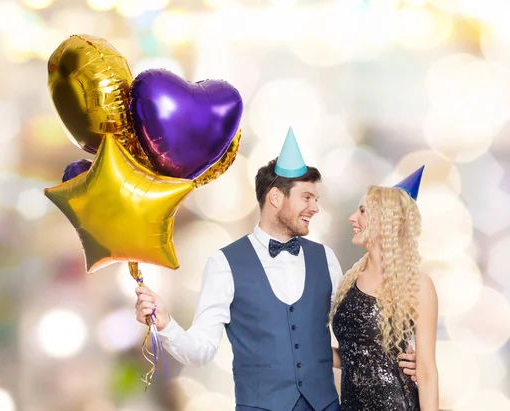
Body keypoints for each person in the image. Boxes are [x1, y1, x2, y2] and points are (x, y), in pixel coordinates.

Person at [135, 128, 416, 411]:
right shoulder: (223, 264)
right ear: (275, 198)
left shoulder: (326, 259)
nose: (315, 208)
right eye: (306, 198)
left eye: (316, 199)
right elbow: (200, 352)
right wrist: (166, 324)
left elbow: (353, 337)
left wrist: (400, 360)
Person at [330, 166, 439, 411]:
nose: (352, 218)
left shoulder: (419, 285)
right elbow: (353, 353)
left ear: (385, 220)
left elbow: (427, 371)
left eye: (362, 211)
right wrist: (305, 352)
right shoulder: (350, 279)